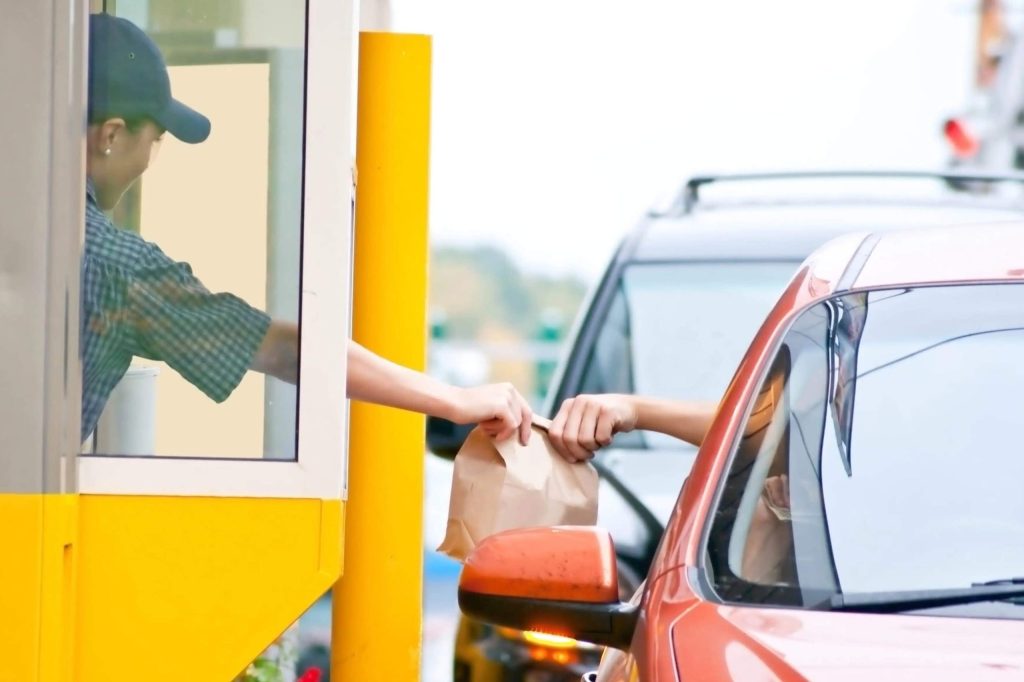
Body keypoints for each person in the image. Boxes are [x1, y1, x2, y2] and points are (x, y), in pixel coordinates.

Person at [83, 13, 532, 448]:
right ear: (111, 135)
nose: (147, 162)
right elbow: (280, 350)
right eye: (156, 140)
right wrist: (454, 399)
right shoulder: (119, 267)